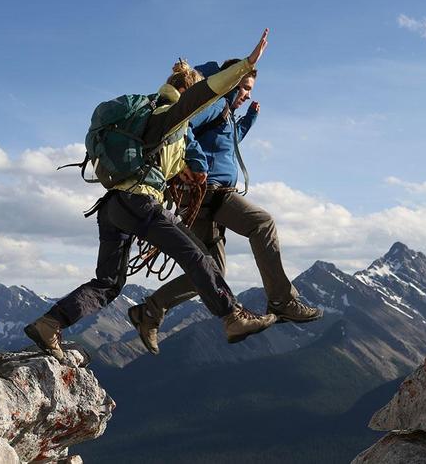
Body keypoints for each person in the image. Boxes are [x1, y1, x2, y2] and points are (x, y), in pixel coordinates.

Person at [25, 30, 277, 361]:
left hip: (113, 206)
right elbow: (207, 93)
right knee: (199, 257)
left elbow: (165, 163)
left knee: (109, 283)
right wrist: (245, 65)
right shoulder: (170, 114)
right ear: (187, 92)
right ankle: (232, 316)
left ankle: (49, 323)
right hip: (140, 203)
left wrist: (187, 172)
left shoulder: (147, 116)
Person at [128, 57, 323, 355]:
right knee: (262, 223)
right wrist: (197, 163)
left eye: (250, 90)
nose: (247, 94)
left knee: (211, 270)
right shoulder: (216, 104)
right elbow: (182, 124)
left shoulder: (226, 114)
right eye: (244, 87)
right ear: (230, 83)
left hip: (201, 199)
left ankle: (150, 310)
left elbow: (227, 142)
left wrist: (249, 120)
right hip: (211, 193)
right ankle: (282, 300)